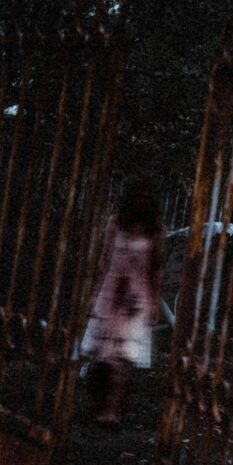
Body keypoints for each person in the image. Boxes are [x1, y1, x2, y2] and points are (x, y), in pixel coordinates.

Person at [81, 178, 164, 425]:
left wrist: (154, 302)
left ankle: (112, 411)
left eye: (145, 197)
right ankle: (98, 403)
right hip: (111, 294)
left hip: (136, 300)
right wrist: (94, 293)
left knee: (124, 358)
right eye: (137, 196)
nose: (141, 201)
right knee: (101, 355)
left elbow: (157, 268)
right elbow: (103, 261)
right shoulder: (115, 223)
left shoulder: (156, 230)